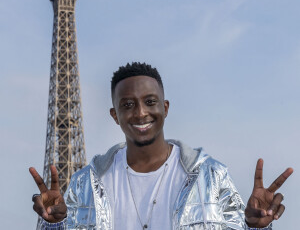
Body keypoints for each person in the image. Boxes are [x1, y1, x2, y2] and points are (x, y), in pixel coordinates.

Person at [30, 62, 293, 229]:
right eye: (128, 105)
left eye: (150, 102)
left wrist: (256, 226)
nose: (141, 113)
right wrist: (54, 224)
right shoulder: (85, 183)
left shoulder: (211, 176)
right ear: (114, 115)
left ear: (165, 108)